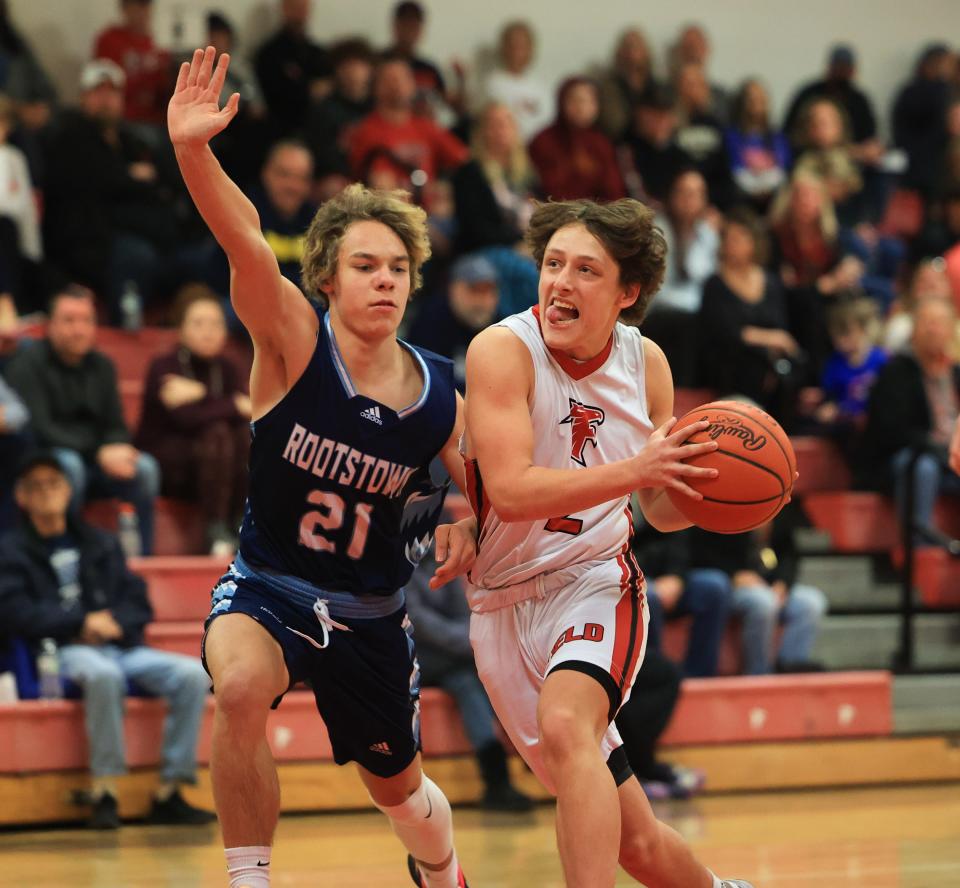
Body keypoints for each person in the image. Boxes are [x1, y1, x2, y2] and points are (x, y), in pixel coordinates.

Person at [168, 47, 475, 888]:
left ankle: (440, 869)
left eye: (399, 268)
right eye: (366, 266)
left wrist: (474, 520)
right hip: (270, 584)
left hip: (372, 612)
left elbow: (494, 485)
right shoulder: (292, 340)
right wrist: (195, 151)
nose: (385, 280)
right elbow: (243, 242)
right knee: (236, 691)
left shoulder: (443, 393)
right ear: (329, 279)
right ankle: (249, 878)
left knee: (402, 794)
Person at [463, 196, 754, 887]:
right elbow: (510, 489)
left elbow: (658, 505)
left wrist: (715, 497)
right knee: (639, 846)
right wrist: (638, 470)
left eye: (585, 270)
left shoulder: (645, 364)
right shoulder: (501, 351)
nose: (561, 281)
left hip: (595, 583)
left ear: (626, 293)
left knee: (568, 722)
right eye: (553, 264)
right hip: (501, 604)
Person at [0, 450, 214, 829]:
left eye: (54, 484)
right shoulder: (10, 551)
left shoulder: (99, 543)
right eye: (36, 486)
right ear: (21, 497)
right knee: (102, 675)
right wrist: (81, 622)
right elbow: (15, 612)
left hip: (121, 647)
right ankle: (106, 789)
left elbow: (138, 603)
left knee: (192, 675)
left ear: (69, 492)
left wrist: (114, 622)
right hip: (60, 651)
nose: (47, 493)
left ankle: (170, 789)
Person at [5, 286, 160, 555]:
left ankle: (140, 560)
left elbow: (116, 426)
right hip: (48, 458)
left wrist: (116, 448)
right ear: (49, 325)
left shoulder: (103, 365)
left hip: (95, 462)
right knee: (68, 466)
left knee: (145, 468)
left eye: (86, 321)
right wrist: (99, 452)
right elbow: (40, 429)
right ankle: (67, 553)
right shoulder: (26, 364)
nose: (78, 329)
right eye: (69, 320)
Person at [404, 526, 533, 812]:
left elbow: (465, 611)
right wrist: (472, 644)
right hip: (416, 657)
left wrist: (474, 643)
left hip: (455, 657)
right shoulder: (399, 568)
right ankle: (515, 760)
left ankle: (499, 779)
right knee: (474, 672)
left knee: (476, 676)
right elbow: (419, 623)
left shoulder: (440, 561)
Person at [135, 288, 250, 556]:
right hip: (172, 465)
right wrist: (231, 403)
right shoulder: (163, 365)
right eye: (198, 324)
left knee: (243, 434)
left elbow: (249, 413)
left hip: (219, 467)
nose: (208, 331)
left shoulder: (228, 367)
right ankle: (216, 530)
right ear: (181, 330)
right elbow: (187, 419)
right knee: (218, 432)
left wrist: (199, 394)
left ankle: (239, 524)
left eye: (215, 324)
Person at [861, 296, 960, 543]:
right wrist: (935, 448)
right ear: (914, 329)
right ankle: (917, 552)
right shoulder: (897, 370)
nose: (932, 329)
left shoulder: (956, 372)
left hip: (951, 457)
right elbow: (891, 429)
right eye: (926, 322)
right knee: (922, 466)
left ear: (951, 329)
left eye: (938, 322)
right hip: (909, 455)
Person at [687, 506, 827, 675]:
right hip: (731, 584)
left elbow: (788, 554)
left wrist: (783, 583)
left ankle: (790, 669)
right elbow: (701, 550)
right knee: (763, 603)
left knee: (811, 602)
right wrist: (734, 574)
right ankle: (759, 674)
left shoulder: (779, 504)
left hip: (768, 583)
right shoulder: (723, 502)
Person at [697, 207, 802, 422]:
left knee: (792, 367)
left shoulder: (771, 282)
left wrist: (775, 341)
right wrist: (772, 338)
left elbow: (780, 325)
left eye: (740, 238)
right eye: (729, 238)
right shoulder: (714, 284)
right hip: (730, 365)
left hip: (770, 361)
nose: (732, 244)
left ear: (754, 242)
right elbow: (724, 332)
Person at [348, 55, 468, 201]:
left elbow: (464, 160)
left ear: (412, 86)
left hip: (427, 213)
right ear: (376, 88)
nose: (396, 85)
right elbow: (355, 180)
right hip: (385, 212)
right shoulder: (366, 130)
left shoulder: (426, 127)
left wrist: (445, 187)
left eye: (402, 79)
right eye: (389, 79)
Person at [407, 253, 500, 392]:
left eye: (488, 292)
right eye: (475, 291)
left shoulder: (501, 328)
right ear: (453, 289)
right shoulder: (430, 321)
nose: (482, 301)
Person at [528, 77, 626, 203]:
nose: (582, 107)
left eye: (590, 101)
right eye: (576, 100)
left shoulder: (601, 143)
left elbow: (614, 191)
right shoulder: (543, 141)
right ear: (562, 102)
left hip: (599, 216)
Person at [303, 38, 375, 197]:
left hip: (374, 176)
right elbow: (320, 151)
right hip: (339, 180)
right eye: (346, 66)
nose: (353, 72)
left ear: (370, 69)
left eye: (359, 65)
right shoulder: (325, 109)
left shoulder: (378, 106)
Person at [254, 0, 332, 140]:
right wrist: (309, 91)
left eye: (304, 8)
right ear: (284, 9)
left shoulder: (318, 53)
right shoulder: (269, 54)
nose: (300, 13)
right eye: (295, 7)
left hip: (319, 129)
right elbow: (274, 97)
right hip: (283, 131)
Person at [93, 0, 171, 128]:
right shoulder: (109, 40)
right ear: (125, 8)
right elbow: (106, 84)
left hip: (158, 118)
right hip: (126, 119)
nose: (143, 12)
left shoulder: (157, 44)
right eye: (138, 6)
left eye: (146, 6)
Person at [479, 20, 552, 142]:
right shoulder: (491, 85)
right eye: (513, 46)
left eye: (523, 47)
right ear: (503, 48)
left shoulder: (541, 87)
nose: (518, 52)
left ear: (531, 49)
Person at [724, 79, 790, 210]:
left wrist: (768, 188)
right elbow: (735, 168)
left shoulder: (778, 138)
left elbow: (783, 169)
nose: (756, 103)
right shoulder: (731, 136)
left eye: (761, 99)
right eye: (751, 99)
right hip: (741, 200)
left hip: (774, 201)